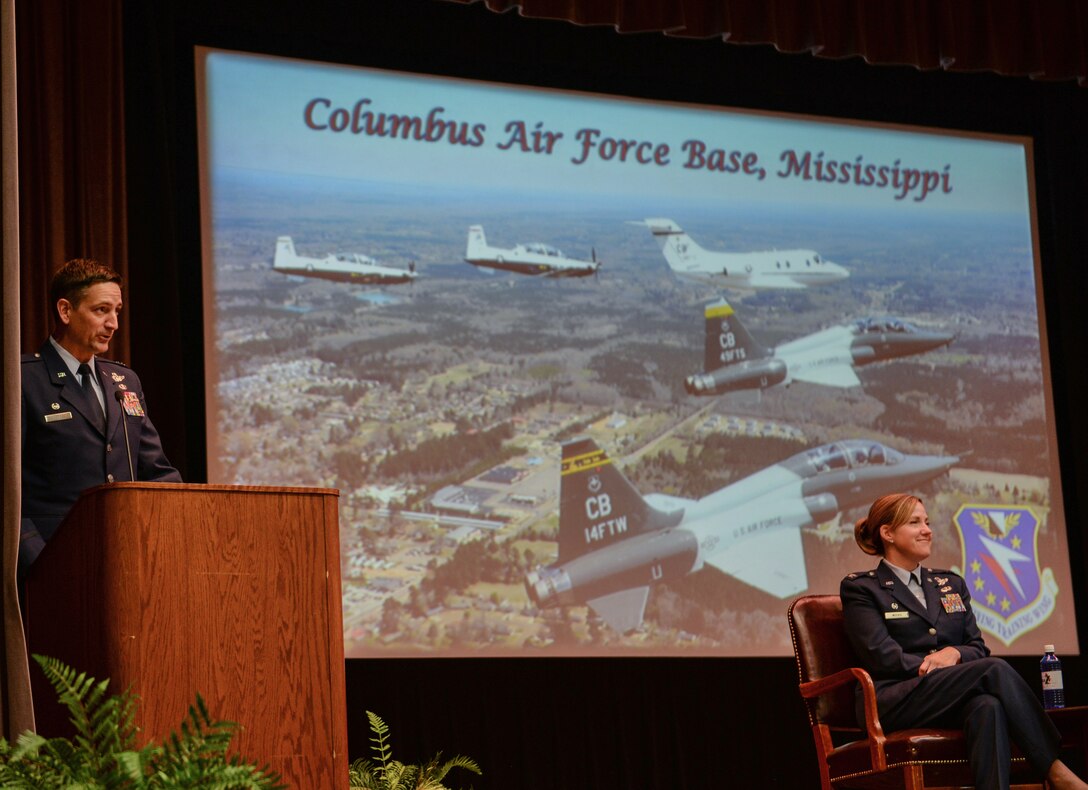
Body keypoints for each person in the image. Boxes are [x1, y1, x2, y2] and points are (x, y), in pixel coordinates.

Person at [841, 492, 1087, 790]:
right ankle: (1055, 769)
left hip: (946, 694)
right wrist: (934, 666)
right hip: (893, 698)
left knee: (988, 706)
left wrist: (954, 655)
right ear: (887, 533)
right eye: (915, 522)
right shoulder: (863, 588)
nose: (927, 529)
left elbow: (976, 646)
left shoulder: (950, 583)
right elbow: (880, 655)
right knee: (993, 670)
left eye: (927, 521)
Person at [20, 259, 181, 574]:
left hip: (127, 559)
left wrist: (176, 527)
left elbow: (157, 471)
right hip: (53, 562)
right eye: (101, 310)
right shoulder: (24, 380)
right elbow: (8, 491)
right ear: (66, 311)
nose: (114, 324)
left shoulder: (125, 381)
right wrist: (38, 562)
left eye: (117, 311)